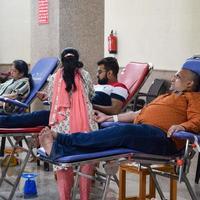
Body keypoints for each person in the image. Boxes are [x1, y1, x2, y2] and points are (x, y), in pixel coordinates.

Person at [39, 57, 200, 160]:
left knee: (123, 132)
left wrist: (182, 127)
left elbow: (198, 120)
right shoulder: (169, 96)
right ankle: (60, 150)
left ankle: (62, 140)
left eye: (178, 76)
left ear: (190, 84)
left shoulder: (194, 98)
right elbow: (139, 113)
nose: (173, 78)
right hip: (146, 131)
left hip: (164, 140)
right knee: (112, 133)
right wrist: (110, 118)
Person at [0, 57, 128, 127]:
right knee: (35, 116)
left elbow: (115, 110)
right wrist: (50, 97)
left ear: (110, 73)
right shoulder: (95, 86)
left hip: (81, 116)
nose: (97, 74)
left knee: (36, 116)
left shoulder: (119, 87)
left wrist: (88, 105)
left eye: (100, 72)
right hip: (70, 111)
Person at [45, 48, 98, 200]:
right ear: (77, 59)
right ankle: (85, 197)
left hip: (61, 129)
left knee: (63, 164)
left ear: (62, 61)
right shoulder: (85, 75)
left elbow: (50, 99)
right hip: (86, 126)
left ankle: (64, 197)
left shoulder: (54, 78)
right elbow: (91, 94)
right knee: (86, 162)